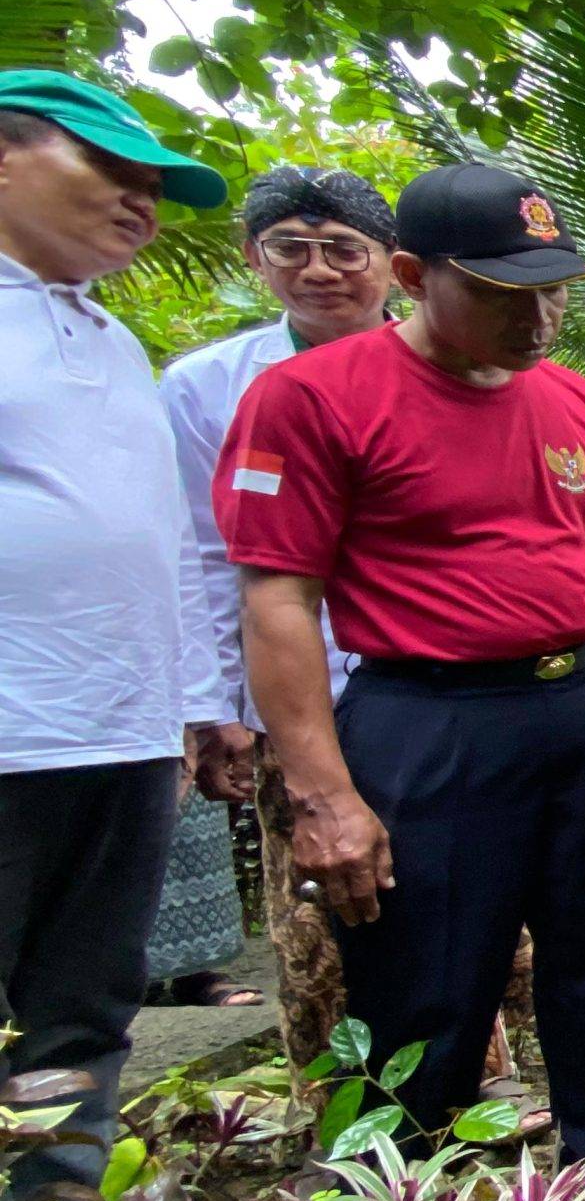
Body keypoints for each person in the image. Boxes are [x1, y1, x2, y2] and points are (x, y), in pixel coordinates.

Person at [216, 162, 585, 1190]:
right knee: (425, 966)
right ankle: (398, 1195)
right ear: (411, 276)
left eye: (553, 290)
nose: (538, 317)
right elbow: (277, 602)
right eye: (502, 292)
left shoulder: (573, 399)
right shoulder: (312, 397)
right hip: (432, 715)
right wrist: (322, 793)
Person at [0, 71, 230, 1201]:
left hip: (118, 734)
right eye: (109, 170)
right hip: (12, 730)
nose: (141, 201)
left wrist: (190, 702)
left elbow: (165, 540)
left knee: (86, 1005)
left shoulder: (117, 344)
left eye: (154, 185)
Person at [161, 165, 396, 1026]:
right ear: (253, 256)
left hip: (431, 682)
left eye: (344, 249)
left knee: (464, 900)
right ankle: (334, 1091)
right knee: (318, 901)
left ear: (393, 260)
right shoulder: (204, 387)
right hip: (291, 692)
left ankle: (488, 1085)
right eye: (290, 248)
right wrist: (213, 702)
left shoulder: (458, 364)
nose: (319, 270)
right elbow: (196, 552)